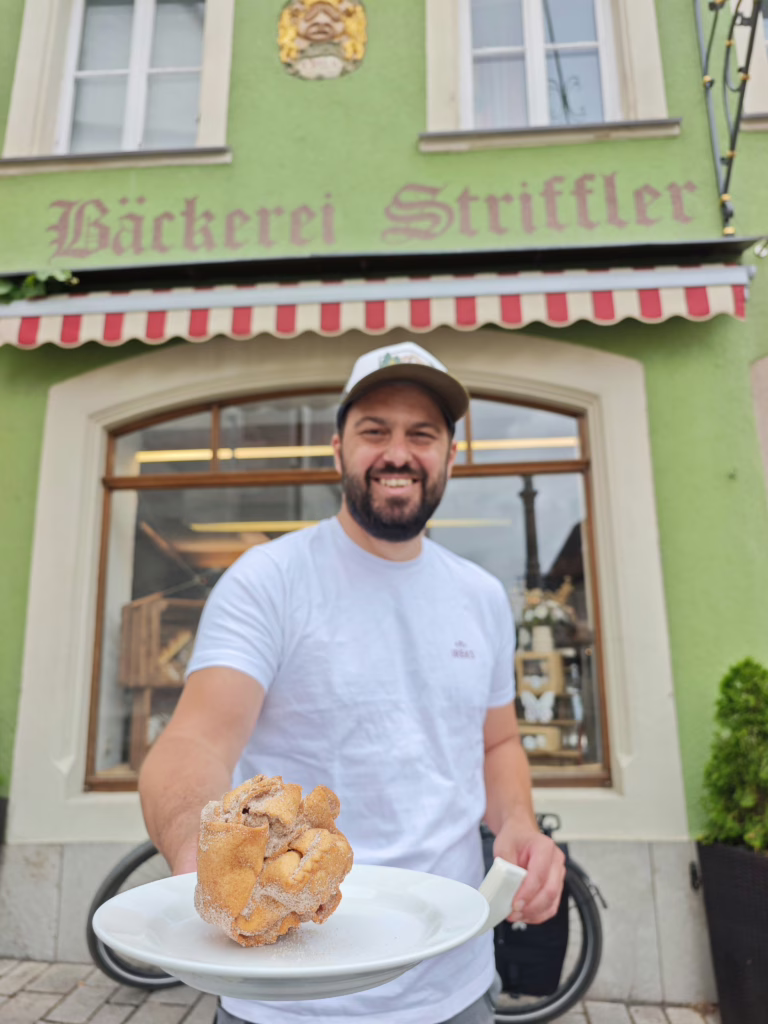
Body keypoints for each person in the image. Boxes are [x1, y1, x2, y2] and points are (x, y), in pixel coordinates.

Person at [139, 341, 566, 1024]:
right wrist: (201, 853)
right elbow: (195, 741)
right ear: (338, 449)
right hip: (285, 993)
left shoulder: (482, 595)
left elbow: (497, 743)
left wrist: (519, 824)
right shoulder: (270, 579)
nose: (398, 453)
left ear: (451, 455)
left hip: (452, 981)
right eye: (375, 431)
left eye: (422, 434)